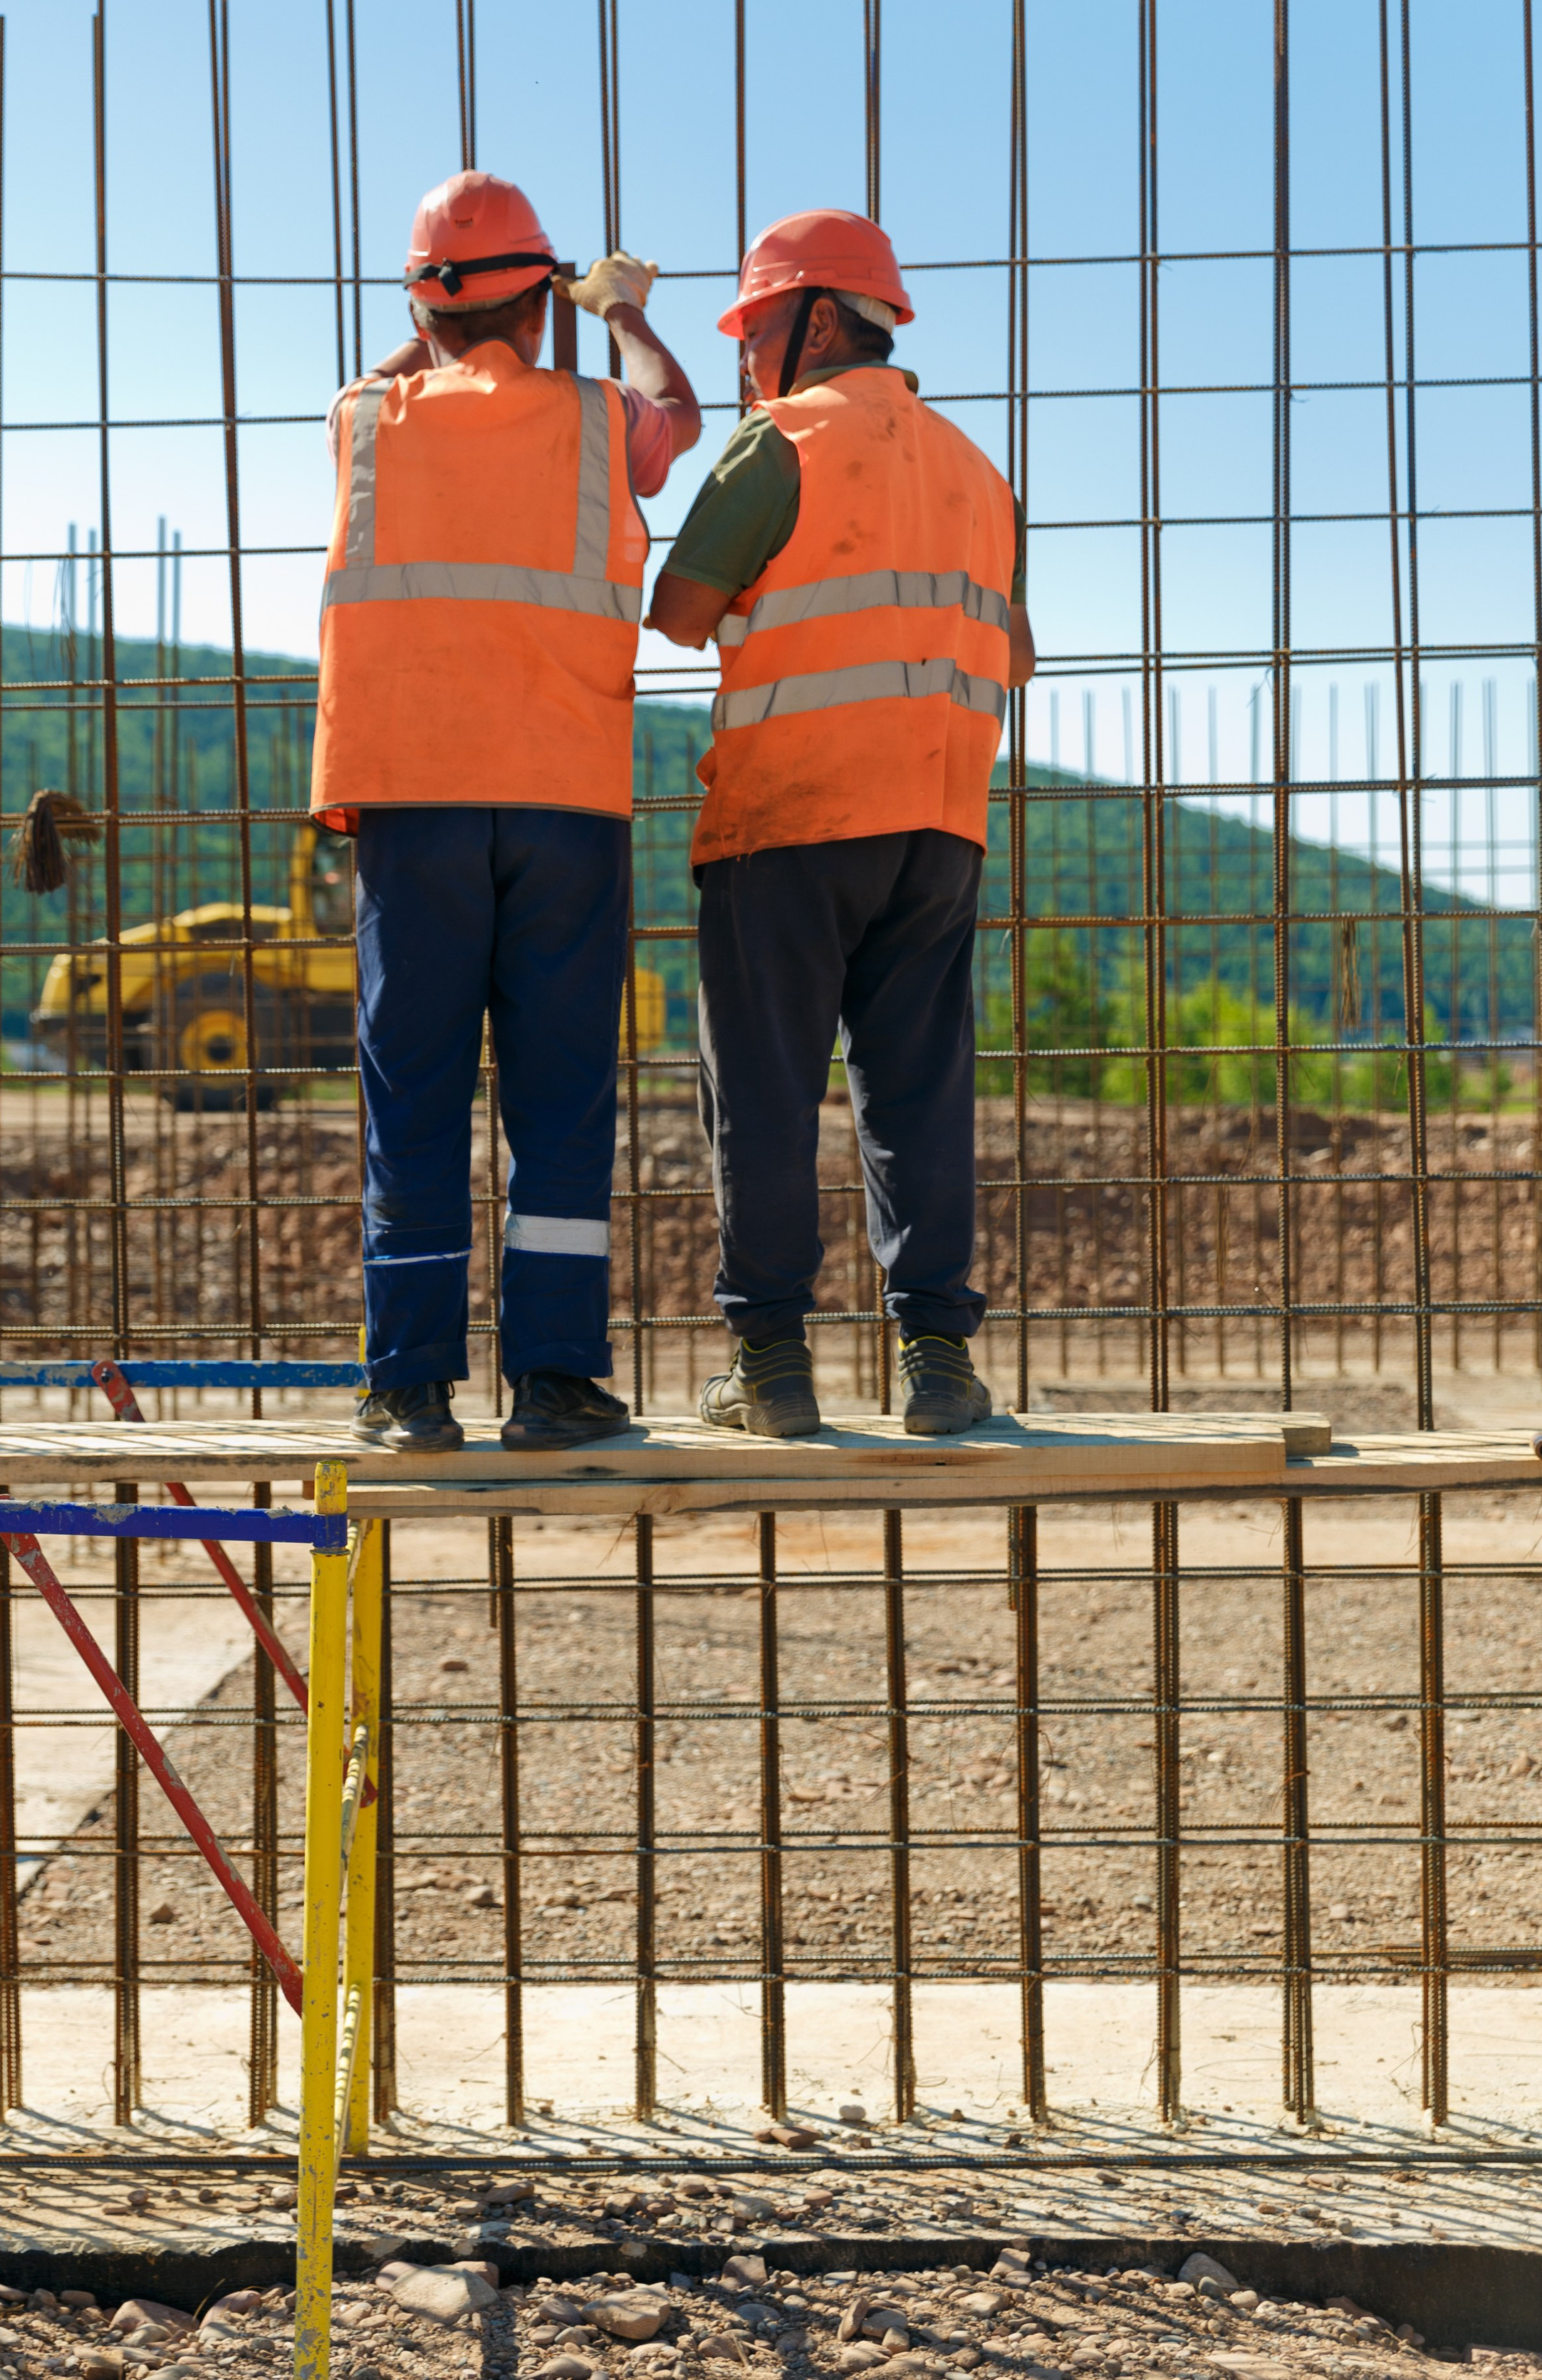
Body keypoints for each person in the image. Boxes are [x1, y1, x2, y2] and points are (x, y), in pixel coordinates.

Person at [312, 169, 701, 1451]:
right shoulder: (600, 419)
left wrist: (454, 313)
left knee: (412, 1093)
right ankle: (554, 1379)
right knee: (560, 1097)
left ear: (425, 307)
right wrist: (625, 314)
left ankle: (409, 1389)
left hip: (411, 798)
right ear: (545, 304)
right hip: (562, 800)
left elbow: (408, 365)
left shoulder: (366, 417)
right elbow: (677, 417)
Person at [645, 207, 1035, 1439]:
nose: (746, 353)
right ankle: (938, 1365)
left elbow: (682, 613)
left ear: (816, 317)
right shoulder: (979, 472)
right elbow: (1015, 653)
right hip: (941, 824)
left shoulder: (784, 444)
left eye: (754, 326)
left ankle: (770, 1369)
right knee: (916, 1091)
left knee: (759, 1093)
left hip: (792, 817)